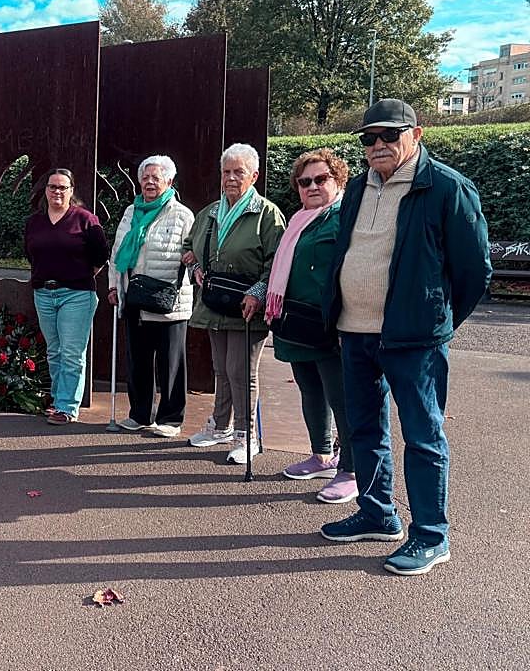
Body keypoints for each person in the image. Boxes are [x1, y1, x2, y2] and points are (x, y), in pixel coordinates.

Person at [320, 99, 490, 576]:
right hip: (354, 332)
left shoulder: (447, 188)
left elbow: (474, 270)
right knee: (365, 428)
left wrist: (436, 321)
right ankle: (378, 514)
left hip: (413, 339)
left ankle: (431, 537)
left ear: (417, 134)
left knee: (423, 436)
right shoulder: (356, 188)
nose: (377, 146)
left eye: (388, 136)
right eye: (368, 139)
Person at [182, 144, 286, 464]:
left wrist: (257, 292)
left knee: (241, 371)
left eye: (238, 172)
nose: (230, 178)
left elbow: (277, 261)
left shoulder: (267, 214)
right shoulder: (211, 211)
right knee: (221, 369)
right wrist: (195, 267)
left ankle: (247, 434)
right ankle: (221, 425)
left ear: (254, 176)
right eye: (226, 171)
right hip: (216, 301)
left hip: (246, 305)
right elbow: (190, 246)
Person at [264, 149, 357, 504]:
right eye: (305, 182)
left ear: (338, 180)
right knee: (309, 389)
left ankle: (350, 468)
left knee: (341, 396)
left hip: (332, 324)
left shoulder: (345, 217)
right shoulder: (298, 220)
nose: (312, 186)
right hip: (297, 323)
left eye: (321, 179)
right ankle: (321, 455)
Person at [106, 155, 194, 438]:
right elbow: (117, 253)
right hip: (135, 298)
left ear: (169, 181)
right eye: (145, 177)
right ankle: (139, 414)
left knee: (171, 363)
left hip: (169, 300)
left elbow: (191, 256)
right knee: (138, 360)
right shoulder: (131, 212)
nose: (150, 182)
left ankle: (170, 418)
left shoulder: (182, 214)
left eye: (156, 178)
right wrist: (113, 287)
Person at [24, 168, 109, 425]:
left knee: (72, 352)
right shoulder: (34, 222)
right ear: (45, 191)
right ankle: (57, 399)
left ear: (72, 191)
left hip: (77, 295)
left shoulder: (85, 219)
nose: (57, 192)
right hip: (44, 293)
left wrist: (78, 274)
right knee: (54, 351)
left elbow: (101, 255)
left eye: (63, 187)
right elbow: (30, 254)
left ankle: (66, 407)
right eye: (52, 187)